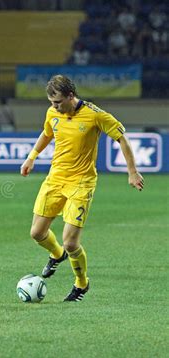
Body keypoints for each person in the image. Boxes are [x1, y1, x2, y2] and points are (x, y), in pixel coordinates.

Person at [20, 75, 144, 302]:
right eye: (51, 102)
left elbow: (122, 139)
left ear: (70, 96)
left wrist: (132, 171)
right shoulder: (52, 113)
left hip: (81, 182)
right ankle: (57, 255)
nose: (54, 107)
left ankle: (81, 284)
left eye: (57, 102)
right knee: (37, 233)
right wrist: (31, 157)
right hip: (55, 179)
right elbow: (47, 133)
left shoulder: (95, 114)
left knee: (70, 241)